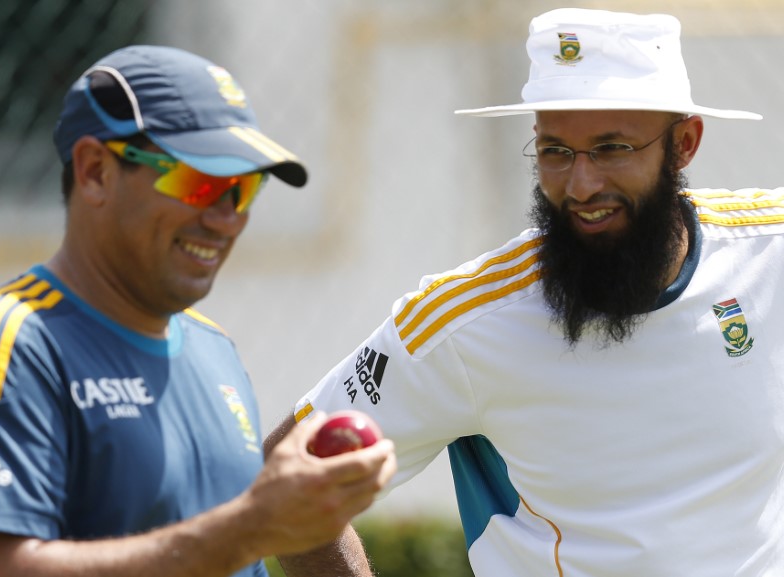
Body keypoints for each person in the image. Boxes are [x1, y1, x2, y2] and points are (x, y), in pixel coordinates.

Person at [267, 8, 784, 577]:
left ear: (684, 143)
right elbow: (286, 478)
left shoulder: (770, 251)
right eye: (555, 150)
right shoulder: (464, 322)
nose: (581, 185)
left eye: (612, 148)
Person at [0, 45, 396, 577]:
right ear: (94, 172)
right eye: (198, 181)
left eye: (243, 188)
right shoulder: (12, 347)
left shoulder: (212, 348)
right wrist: (249, 527)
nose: (226, 218)